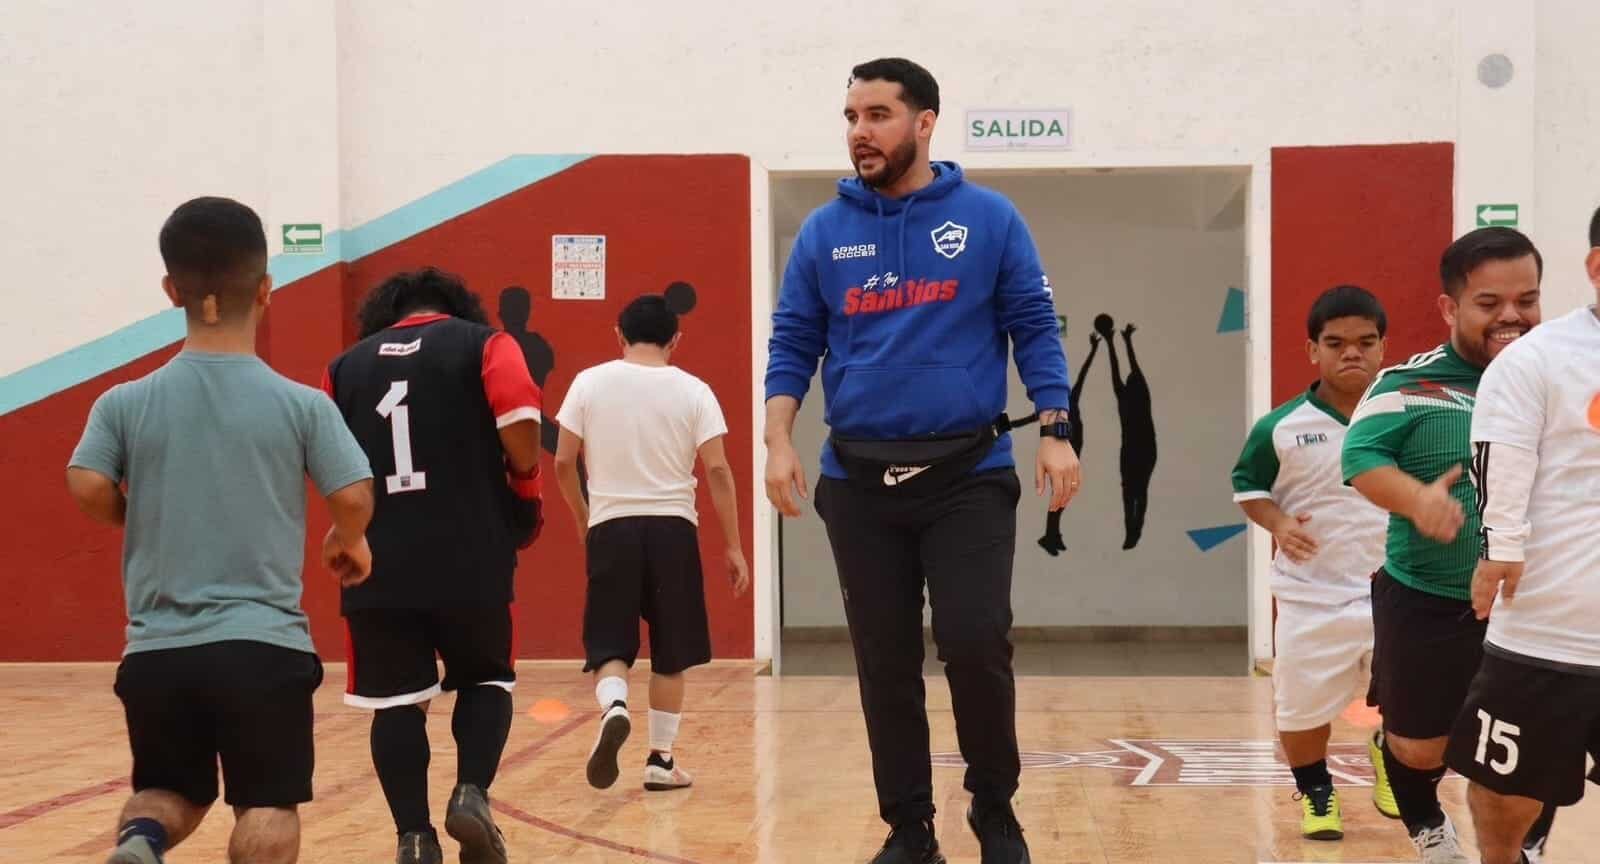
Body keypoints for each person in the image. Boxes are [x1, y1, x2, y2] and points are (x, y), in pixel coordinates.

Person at [763, 57, 1079, 864]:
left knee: (975, 643)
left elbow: (1036, 327)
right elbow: (793, 342)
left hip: (966, 479)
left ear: (925, 122)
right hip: (858, 484)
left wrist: (1056, 425)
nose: (859, 133)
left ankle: (995, 809)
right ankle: (909, 829)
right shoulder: (823, 234)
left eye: (877, 115)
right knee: (885, 660)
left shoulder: (989, 218)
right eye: (851, 117)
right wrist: (776, 441)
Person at [67, 196, 375, 864]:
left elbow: (87, 482)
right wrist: (346, 538)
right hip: (262, 649)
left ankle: (141, 841)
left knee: (167, 792)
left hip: (156, 653)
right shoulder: (302, 405)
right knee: (265, 806)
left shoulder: (124, 401)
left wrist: (134, 515)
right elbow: (352, 493)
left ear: (172, 290)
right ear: (266, 290)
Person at [1342, 227, 1554, 864]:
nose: (1511, 316)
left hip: (1534, 608)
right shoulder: (1408, 385)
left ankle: (1520, 850)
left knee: (1533, 746)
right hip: (1428, 600)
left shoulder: (1564, 382)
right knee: (1420, 750)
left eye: (1527, 299)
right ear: (1450, 308)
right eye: (1489, 303)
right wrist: (1416, 499)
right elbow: (1361, 459)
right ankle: (1425, 812)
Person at [324, 267, 544, 864]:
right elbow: (522, 425)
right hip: (471, 549)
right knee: (485, 678)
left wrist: (344, 531)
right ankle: (471, 793)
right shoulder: (487, 344)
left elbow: (327, 465)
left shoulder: (344, 368)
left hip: (376, 557)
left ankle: (413, 838)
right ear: (457, 307)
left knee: (395, 702)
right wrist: (524, 482)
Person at [1445, 211, 1600, 864]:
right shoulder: (1538, 359)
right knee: (1505, 790)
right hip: (1546, 627)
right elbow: (1500, 453)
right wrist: (1499, 546)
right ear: (1598, 268)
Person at [552, 294, 748, 793]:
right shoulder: (695, 391)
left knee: (609, 642)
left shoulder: (588, 383)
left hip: (611, 527)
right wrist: (733, 545)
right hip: (673, 531)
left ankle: (614, 705)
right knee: (671, 652)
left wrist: (583, 517)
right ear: (675, 341)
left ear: (617, 334)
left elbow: (561, 461)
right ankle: (660, 761)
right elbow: (719, 470)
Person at [1231, 285, 1394, 839]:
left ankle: (1390, 756)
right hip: (1311, 596)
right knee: (1299, 713)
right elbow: (1247, 486)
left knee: (1419, 703)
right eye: (1336, 342)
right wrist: (1277, 523)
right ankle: (1317, 792)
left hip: (1398, 590)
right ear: (1312, 351)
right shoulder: (1279, 427)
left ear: (1382, 347)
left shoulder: (1407, 415)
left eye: (1366, 342)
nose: (1352, 352)